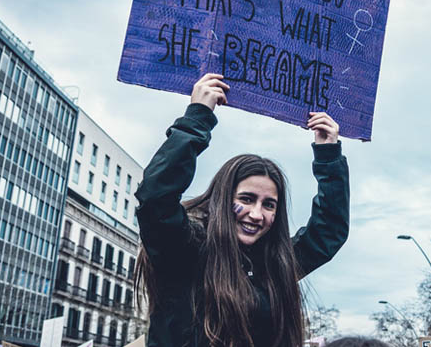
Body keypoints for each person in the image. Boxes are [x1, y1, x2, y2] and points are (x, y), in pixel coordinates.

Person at [134, 73, 350, 347]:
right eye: (247, 199)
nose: (257, 214)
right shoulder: (184, 251)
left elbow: (328, 231)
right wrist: (197, 118)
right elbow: (156, 200)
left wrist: (329, 155)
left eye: (269, 205)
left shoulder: (277, 264)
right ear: (223, 200)